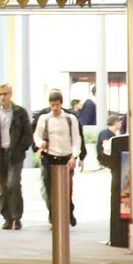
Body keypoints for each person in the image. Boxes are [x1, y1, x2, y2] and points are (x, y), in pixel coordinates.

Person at [34, 88, 83, 230]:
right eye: (52, 105)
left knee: (66, 190)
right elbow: (37, 135)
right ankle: (55, 217)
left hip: (65, 158)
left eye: (57, 105)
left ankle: (68, 211)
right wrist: (40, 144)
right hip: (50, 157)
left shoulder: (70, 119)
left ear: (61, 104)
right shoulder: (45, 119)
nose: (55, 108)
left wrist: (75, 156)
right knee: (50, 190)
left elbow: (76, 139)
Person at [0, 83, 33, 229]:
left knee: (13, 184)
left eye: (5, 94)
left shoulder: (20, 112)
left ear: (11, 94)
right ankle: (7, 218)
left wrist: (21, 149)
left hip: (15, 155)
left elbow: (27, 133)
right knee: (3, 188)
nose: (3, 97)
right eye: (0, 94)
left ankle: (17, 216)